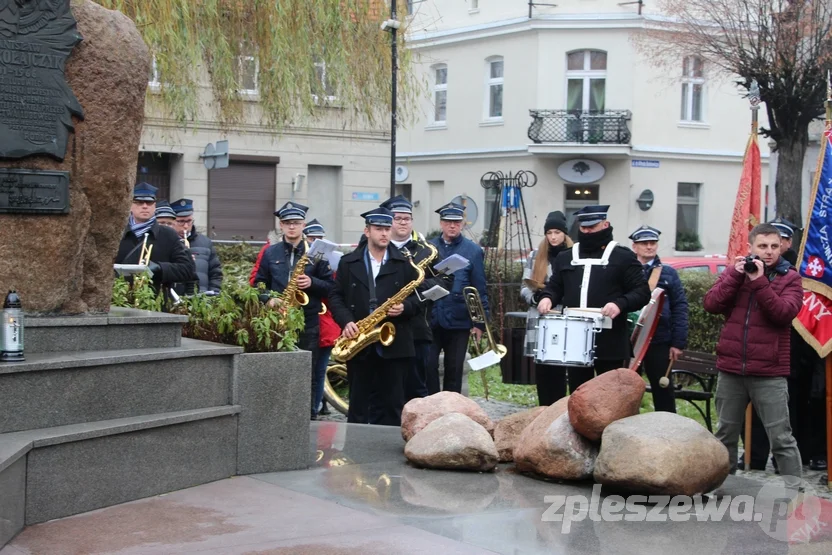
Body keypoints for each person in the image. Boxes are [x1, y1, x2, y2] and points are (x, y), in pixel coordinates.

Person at [703, 223, 803, 486]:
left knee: (781, 437)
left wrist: (759, 282)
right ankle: (721, 486)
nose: (768, 252)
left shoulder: (790, 277)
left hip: (769, 373)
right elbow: (711, 304)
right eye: (762, 246)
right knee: (725, 433)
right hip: (732, 369)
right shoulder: (735, 273)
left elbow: (783, 313)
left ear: (781, 247)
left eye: (774, 246)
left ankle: (797, 493)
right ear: (750, 247)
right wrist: (736, 276)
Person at [535, 205, 650, 391]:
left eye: (592, 227)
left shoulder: (623, 257)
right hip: (574, 342)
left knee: (612, 396)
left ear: (605, 224)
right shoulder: (566, 257)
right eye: (584, 228)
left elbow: (642, 292)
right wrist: (547, 297)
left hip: (611, 342)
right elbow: (555, 286)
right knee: (578, 394)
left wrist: (619, 304)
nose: (587, 231)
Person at [328, 207, 422, 426]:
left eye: (387, 229)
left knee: (392, 405)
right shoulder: (348, 262)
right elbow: (335, 296)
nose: (384, 234)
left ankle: (387, 458)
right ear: (367, 231)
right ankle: (355, 453)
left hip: (395, 342)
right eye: (379, 229)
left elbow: (421, 299)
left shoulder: (405, 263)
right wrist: (346, 321)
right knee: (358, 405)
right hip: (359, 341)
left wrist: (406, 307)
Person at [254, 202, 335, 420]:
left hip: (308, 320)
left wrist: (312, 282)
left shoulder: (316, 254)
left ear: (303, 225)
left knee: (308, 371)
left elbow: (331, 287)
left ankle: (307, 416)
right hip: (277, 320)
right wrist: (269, 298)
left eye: (296, 223)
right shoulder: (270, 253)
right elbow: (258, 284)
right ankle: (277, 414)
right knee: (277, 369)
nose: (292, 227)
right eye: (288, 223)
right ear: (281, 225)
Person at [381, 195, 454, 402]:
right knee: (385, 390)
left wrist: (417, 287)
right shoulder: (377, 246)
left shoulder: (427, 250)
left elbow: (446, 280)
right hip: (382, 326)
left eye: (407, 218)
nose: (403, 222)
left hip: (417, 328)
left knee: (416, 389)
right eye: (398, 218)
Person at [427, 201, 489, 394]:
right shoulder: (429, 248)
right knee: (427, 367)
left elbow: (479, 288)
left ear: (462, 223)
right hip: (431, 317)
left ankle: (451, 414)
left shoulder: (473, 250)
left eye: (456, 222)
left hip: (459, 319)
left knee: (454, 370)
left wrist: (479, 323)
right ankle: (430, 409)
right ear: (441, 223)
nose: (452, 225)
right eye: (447, 221)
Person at [629, 225, 689, 413]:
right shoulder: (627, 270)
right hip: (632, 340)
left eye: (652, 243)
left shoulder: (668, 273)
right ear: (634, 247)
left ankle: (668, 431)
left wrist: (678, 343)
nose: (649, 247)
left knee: (663, 388)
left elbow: (680, 306)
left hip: (660, 339)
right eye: (644, 243)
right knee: (628, 390)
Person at [520, 210, 573, 405]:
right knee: (542, 369)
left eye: (557, 232)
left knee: (560, 368)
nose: (553, 237)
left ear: (564, 234)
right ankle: (543, 409)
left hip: (562, 316)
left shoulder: (573, 255)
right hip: (539, 316)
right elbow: (524, 286)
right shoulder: (536, 256)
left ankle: (557, 409)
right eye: (549, 233)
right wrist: (535, 298)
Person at [115, 183, 197, 301]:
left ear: (154, 206)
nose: (144, 206)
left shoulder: (168, 234)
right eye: (138, 202)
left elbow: (188, 269)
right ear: (131, 205)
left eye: (149, 203)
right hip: (120, 300)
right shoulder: (116, 233)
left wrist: (160, 268)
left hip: (156, 301)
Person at [303, 218, 341, 417]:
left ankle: (314, 410)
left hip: (325, 324)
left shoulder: (328, 260)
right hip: (306, 319)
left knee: (319, 372)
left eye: (319, 238)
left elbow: (333, 289)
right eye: (312, 238)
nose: (315, 241)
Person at [171, 198, 223, 293]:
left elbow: (215, 273)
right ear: (172, 221)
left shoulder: (206, 243)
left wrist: (214, 292)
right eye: (181, 221)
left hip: (201, 298)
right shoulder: (167, 241)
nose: (186, 226)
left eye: (189, 221)